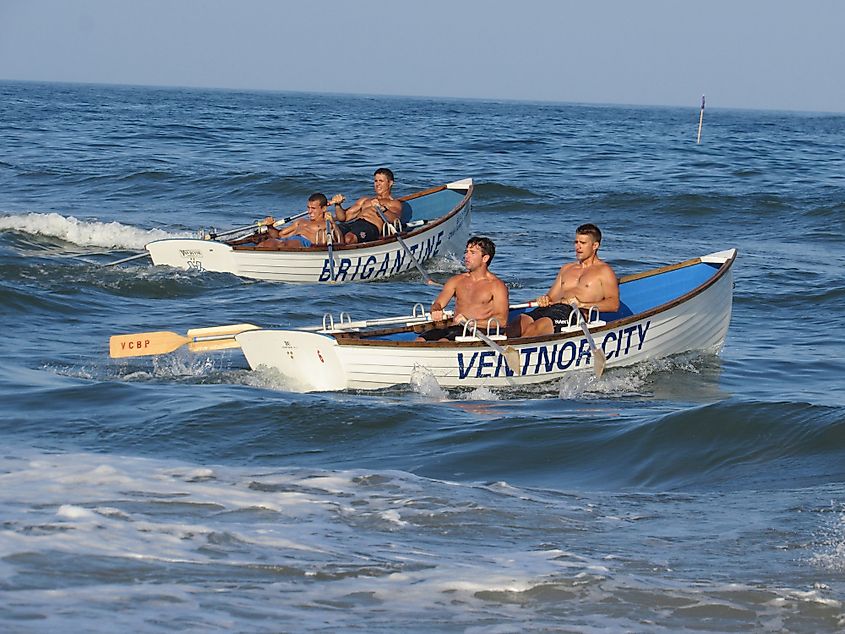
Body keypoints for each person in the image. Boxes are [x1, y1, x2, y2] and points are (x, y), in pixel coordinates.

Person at [508, 223, 620, 338]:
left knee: (538, 327)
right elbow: (552, 297)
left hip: (575, 313)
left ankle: (516, 353)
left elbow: (613, 304)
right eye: (576, 242)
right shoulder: (567, 268)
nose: (578, 247)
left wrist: (582, 304)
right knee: (518, 323)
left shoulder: (604, 271)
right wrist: (544, 299)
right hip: (553, 308)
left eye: (583, 243)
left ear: (595, 245)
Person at [418, 236, 510, 342]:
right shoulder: (456, 280)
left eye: (472, 253)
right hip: (454, 328)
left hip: (479, 331)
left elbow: (502, 321)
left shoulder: (497, 286)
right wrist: (436, 310)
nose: (466, 256)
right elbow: (438, 303)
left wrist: (470, 322)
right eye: (466, 252)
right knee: (420, 339)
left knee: (443, 342)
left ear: (485, 258)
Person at [237, 193, 342, 249]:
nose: (309, 211)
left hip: (304, 243)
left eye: (313, 208)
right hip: (287, 240)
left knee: (282, 244)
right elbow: (278, 235)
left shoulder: (326, 223)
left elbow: (341, 241)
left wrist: (333, 223)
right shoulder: (300, 221)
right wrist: (270, 227)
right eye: (308, 208)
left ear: (323, 209)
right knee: (269, 242)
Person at [331, 167, 403, 244]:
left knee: (349, 238)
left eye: (381, 181)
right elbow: (343, 218)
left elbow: (396, 220)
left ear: (390, 183)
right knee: (332, 233)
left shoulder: (393, 203)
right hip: (355, 223)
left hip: (371, 227)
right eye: (375, 181)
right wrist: (338, 205)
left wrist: (382, 209)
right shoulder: (365, 200)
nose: (377, 184)